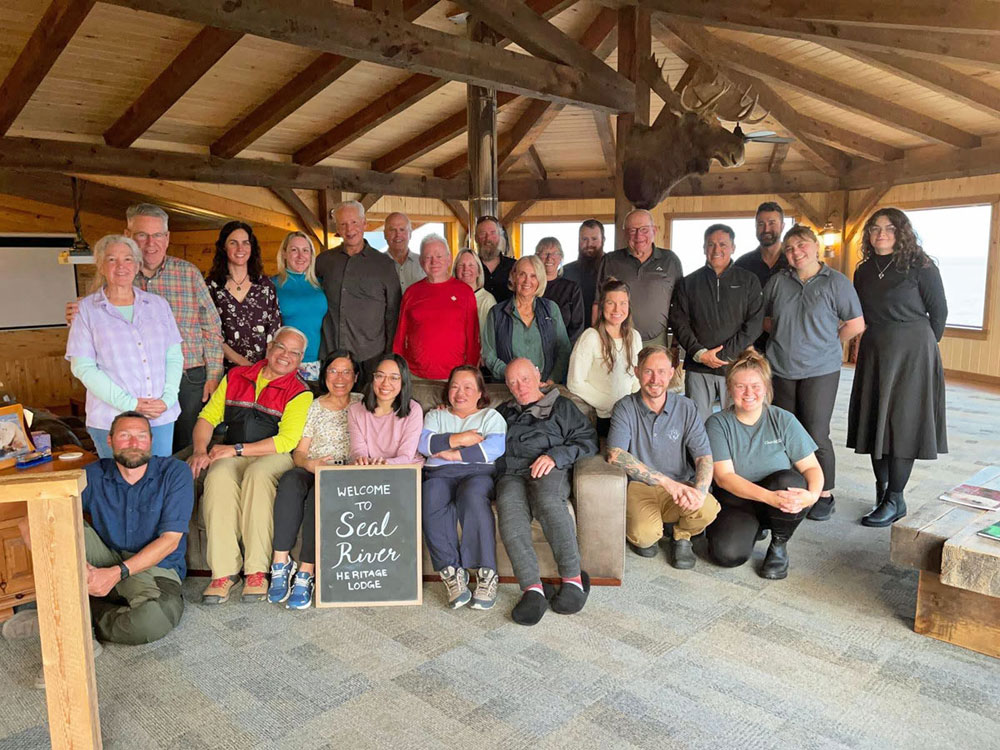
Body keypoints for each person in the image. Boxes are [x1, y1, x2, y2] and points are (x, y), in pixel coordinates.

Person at [26, 412, 193, 651]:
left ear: (151, 441)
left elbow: (170, 542)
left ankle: (74, 618)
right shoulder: (92, 474)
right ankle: (75, 607)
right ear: (110, 441)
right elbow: (31, 523)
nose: (134, 444)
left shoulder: (175, 473)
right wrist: (81, 570)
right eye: (125, 436)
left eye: (141, 436)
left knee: (151, 622)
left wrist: (116, 574)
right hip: (105, 556)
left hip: (155, 568)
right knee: (47, 522)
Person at [65, 203, 224, 453]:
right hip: (126, 395)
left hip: (187, 378)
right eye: (142, 235)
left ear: (167, 238)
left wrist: (213, 373)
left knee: (183, 452)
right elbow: (86, 355)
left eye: (158, 235)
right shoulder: (103, 292)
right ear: (128, 236)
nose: (151, 243)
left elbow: (211, 326)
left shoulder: (186, 275)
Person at [188, 328, 313, 604]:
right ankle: (223, 573)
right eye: (281, 348)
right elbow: (208, 417)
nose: (286, 356)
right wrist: (200, 450)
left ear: (300, 359)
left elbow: (287, 440)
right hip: (233, 452)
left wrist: (236, 449)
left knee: (257, 475)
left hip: (273, 455)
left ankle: (257, 570)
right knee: (218, 475)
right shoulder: (235, 377)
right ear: (269, 348)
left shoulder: (300, 391)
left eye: (294, 353)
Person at [848, 207, 948, 527]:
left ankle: (896, 498)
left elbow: (939, 313)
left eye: (889, 228)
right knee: (876, 420)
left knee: (903, 424)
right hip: (875, 349)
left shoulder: (921, 265)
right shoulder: (863, 270)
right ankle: (882, 492)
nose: (881, 233)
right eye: (875, 228)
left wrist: (919, 348)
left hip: (913, 352)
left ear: (901, 231)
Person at [762, 225, 865, 521]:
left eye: (801, 245)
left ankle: (824, 494)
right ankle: (790, 486)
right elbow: (765, 320)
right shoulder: (778, 282)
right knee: (784, 432)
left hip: (821, 370)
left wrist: (826, 342)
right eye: (790, 248)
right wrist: (787, 333)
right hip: (781, 367)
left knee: (815, 431)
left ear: (816, 246)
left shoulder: (836, 282)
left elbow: (855, 324)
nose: (796, 252)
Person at [496, 358, 598, 626]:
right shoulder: (503, 412)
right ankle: (532, 589)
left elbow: (588, 441)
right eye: (513, 382)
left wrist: (555, 456)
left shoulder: (562, 406)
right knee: (508, 508)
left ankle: (574, 578)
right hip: (512, 473)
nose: (520, 387)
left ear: (538, 376)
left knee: (547, 500)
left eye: (525, 379)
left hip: (549, 466)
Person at [705, 350, 824, 579]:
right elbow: (723, 477)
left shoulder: (783, 419)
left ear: (767, 388)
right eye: (740, 386)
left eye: (756, 386)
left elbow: (812, 468)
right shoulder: (717, 423)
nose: (749, 393)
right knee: (726, 556)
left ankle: (779, 545)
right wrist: (768, 498)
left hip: (777, 494)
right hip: (737, 500)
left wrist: (812, 496)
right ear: (730, 389)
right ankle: (754, 526)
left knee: (790, 481)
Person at [66, 235, 183, 457]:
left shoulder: (158, 305)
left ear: (138, 265)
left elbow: (174, 356)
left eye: (128, 259)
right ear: (101, 266)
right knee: (116, 483)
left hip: (159, 416)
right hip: (110, 418)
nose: (121, 266)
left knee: (156, 480)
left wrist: (167, 399)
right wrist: (129, 404)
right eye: (112, 259)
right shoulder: (86, 310)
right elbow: (83, 367)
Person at [606, 346, 719, 568]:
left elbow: (703, 456)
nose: (655, 379)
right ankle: (658, 528)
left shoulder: (686, 407)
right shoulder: (624, 407)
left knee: (708, 507)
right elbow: (615, 455)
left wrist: (699, 492)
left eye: (661, 371)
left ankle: (682, 535)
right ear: (637, 372)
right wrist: (665, 482)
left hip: (681, 482)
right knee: (645, 535)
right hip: (641, 487)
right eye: (648, 371)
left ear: (672, 373)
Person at [268, 350, 361, 610]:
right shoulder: (313, 405)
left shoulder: (362, 403)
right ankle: (281, 562)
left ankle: (306, 572)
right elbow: (299, 451)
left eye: (346, 372)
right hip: (312, 466)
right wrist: (308, 464)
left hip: (345, 475)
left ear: (355, 377)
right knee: (289, 481)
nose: (339, 377)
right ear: (324, 375)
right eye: (333, 371)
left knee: (317, 494)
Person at [418, 366, 506, 610]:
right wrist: (463, 439)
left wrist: (450, 452)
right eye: (455, 386)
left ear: (480, 392)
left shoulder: (491, 417)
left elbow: (494, 448)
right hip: (438, 474)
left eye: (468, 387)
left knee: (473, 498)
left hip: (477, 474)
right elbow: (425, 444)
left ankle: (487, 573)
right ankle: (452, 571)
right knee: (429, 497)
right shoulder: (435, 415)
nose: (460, 393)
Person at [670, 224, 763, 420]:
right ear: (704, 248)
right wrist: (700, 354)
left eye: (722, 244)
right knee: (697, 423)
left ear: (733, 247)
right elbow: (679, 322)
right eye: (711, 244)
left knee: (737, 420)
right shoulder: (688, 283)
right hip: (698, 366)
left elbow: (754, 323)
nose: (716, 249)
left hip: (736, 365)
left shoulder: (749, 281)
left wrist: (723, 355)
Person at [315, 201, 401, 383]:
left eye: (354, 222)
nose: (349, 229)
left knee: (367, 410)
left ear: (364, 224)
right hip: (331, 355)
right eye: (343, 224)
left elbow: (393, 313)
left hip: (370, 357)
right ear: (337, 228)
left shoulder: (384, 265)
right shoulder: (323, 261)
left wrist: (389, 356)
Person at [393, 234, 480, 380]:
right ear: (421, 261)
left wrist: (469, 373)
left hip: (454, 377)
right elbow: (400, 336)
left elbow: (473, 337)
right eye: (428, 257)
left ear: (449, 259)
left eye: (439, 256)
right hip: (415, 376)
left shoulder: (464, 292)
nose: (434, 262)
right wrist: (398, 371)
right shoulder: (411, 292)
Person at [595, 209, 683, 346]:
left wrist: (676, 344)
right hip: (617, 342)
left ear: (654, 231)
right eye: (632, 230)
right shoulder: (610, 261)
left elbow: (680, 306)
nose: (638, 235)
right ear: (625, 233)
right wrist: (598, 341)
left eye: (644, 229)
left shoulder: (670, 260)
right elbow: (597, 304)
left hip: (657, 342)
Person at [567, 278, 642, 436]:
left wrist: (635, 406)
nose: (617, 309)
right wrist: (610, 404)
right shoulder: (590, 337)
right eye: (610, 303)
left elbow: (637, 379)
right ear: (602, 306)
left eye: (623, 303)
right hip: (605, 417)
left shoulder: (635, 337)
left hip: (631, 415)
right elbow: (575, 383)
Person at [482, 255, 571, 384]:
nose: (527, 281)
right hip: (508, 387)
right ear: (513, 277)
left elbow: (564, 350)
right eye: (522, 274)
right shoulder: (496, 313)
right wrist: (513, 377)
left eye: (533, 276)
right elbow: (489, 355)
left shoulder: (551, 309)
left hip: (544, 388)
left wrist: (551, 381)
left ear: (540, 280)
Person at [207, 220, 282, 370]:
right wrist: (244, 365)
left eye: (245, 243)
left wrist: (261, 369)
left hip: (262, 370)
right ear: (223, 246)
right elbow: (210, 334)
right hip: (225, 370)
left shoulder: (265, 285)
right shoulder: (211, 287)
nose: (240, 248)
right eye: (233, 243)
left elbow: (274, 329)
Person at [347, 353, 424, 465]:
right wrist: (361, 460)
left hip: (405, 470)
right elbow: (358, 451)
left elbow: (406, 455)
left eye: (394, 378)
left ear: (403, 382)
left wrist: (383, 464)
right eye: (380, 376)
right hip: (370, 470)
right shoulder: (355, 411)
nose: (385, 383)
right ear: (373, 378)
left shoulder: (413, 409)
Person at [272, 231, 328, 381]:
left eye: (305, 250)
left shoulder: (321, 284)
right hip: (285, 361)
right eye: (294, 250)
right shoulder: (272, 285)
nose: (300, 256)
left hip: (318, 362)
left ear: (311, 255)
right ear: (284, 254)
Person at [735, 201, 789, 352]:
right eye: (761, 224)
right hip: (750, 346)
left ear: (783, 226)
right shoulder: (742, 264)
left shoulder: (793, 263)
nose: (766, 229)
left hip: (787, 347)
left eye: (772, 223)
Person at [535, 237, 586, 343]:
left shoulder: (572, 289)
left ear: (561, 258)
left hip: (564, 352)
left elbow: (577, 327)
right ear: (537, 257)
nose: (549, 258)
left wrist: (564, 352)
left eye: (554, 253)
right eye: (545, 253)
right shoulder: (530, 287)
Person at [563, 219, 605, 316]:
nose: (589, 244)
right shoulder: (566, 272)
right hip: (573, 329)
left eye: (594, 239)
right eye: (584, 239)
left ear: (603, 240)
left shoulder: (613, 269)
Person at [452, 247, 497, 336]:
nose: (466, 269)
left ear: (479, 271)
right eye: (461, 265)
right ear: (455, 271)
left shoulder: (487, 300)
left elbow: (490, 338)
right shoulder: (451, 298)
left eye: (471, 265)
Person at [476, 215, 516, 303]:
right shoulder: (470, 268)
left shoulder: (514, 266)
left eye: (493, 233)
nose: (488, 238)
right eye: (483, 233)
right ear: (476, 238)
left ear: (499, 236)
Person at [384, 211, 426, 293]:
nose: (398, 234)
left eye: (402, 229)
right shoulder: (375, 265)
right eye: (392, 230)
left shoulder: (424, 263)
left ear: (410, 234)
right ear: (385, 234)